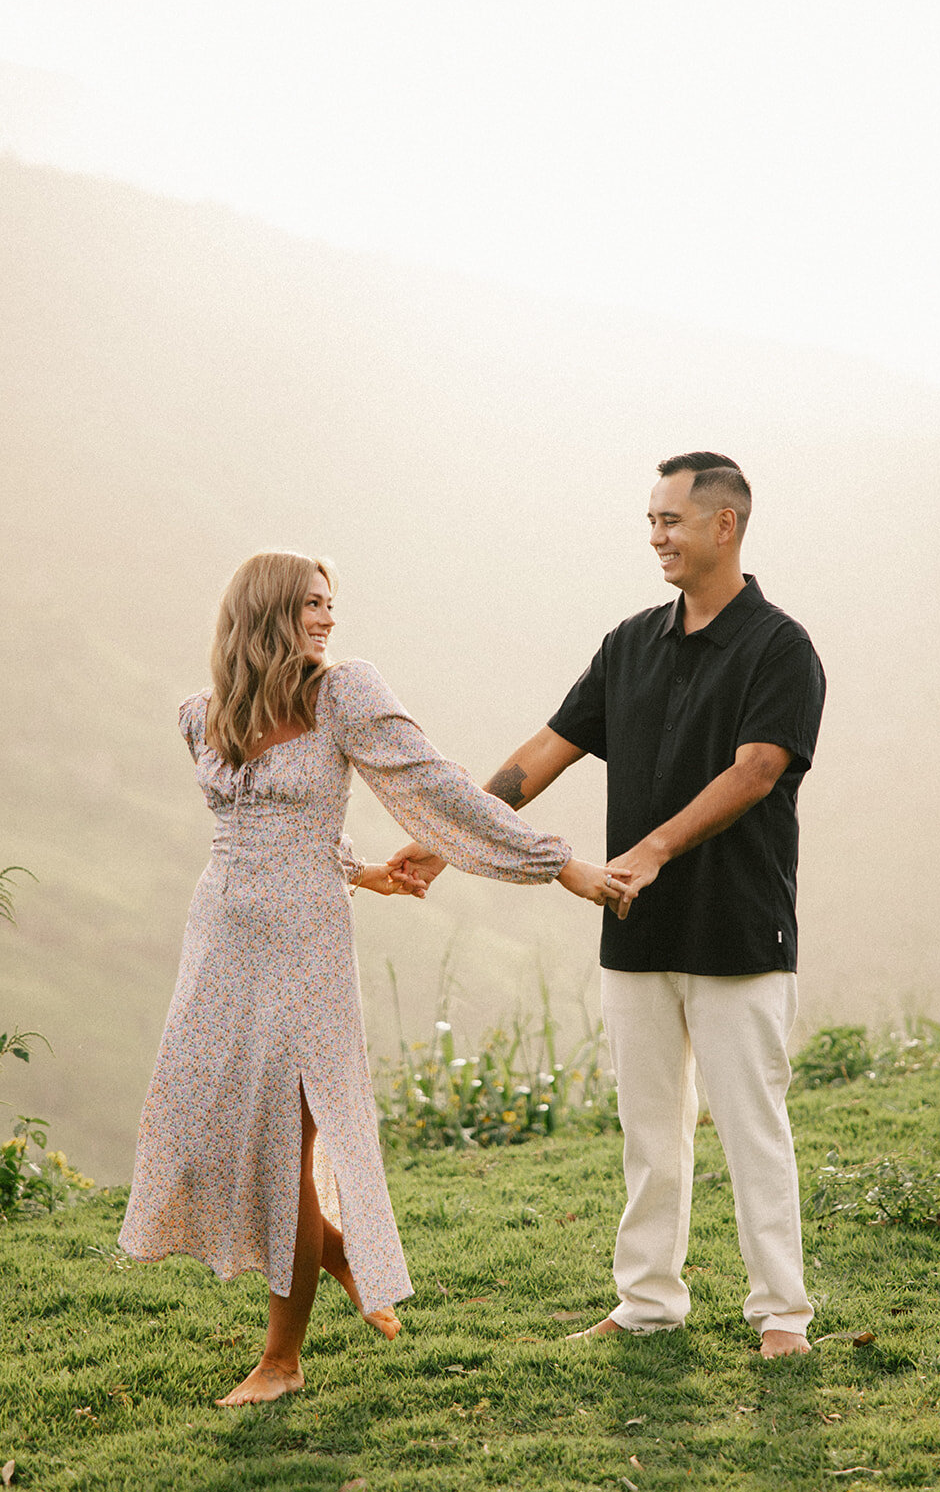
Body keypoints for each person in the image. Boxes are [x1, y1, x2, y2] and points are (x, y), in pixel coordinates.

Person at [119, 551, 624, 1407]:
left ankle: (281, 1360)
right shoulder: (198, 716)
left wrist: (556, 862)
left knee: (290, 1142)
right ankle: (339, 1251)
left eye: (330, 605)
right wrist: (363, 869)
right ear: (264, 611)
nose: (326, 619)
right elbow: (259, 827)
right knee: (208, 1137)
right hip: (219, 943)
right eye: (311, 605)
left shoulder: (342, 692)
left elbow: (435, 786)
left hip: (306, 949)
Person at [391, 453, 825, 1358]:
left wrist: (653, 848)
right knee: (649, 1132)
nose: (657, 536)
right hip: (634, 928)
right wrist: (445, 836)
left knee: (752, 1128)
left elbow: (756, 771)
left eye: (671, 519)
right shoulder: (629, 642)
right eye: (651, 521)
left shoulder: (780, 647)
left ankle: (780, 1312)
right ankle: (647, 1304)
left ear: (724, 526)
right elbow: (541, 755)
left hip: (739, 930)